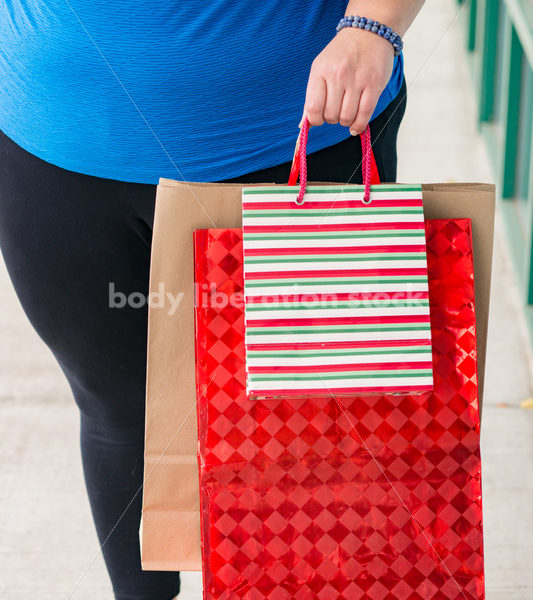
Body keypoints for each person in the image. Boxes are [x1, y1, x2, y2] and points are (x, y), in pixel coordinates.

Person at [0, 1, 425, 598]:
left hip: (296, 132)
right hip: (53, 133)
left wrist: (375, 26)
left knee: (303, 421)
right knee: (118, 409)